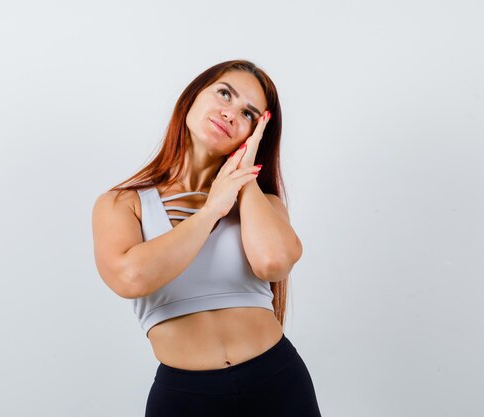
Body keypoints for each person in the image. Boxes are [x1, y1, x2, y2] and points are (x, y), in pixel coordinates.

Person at [91, 59, 322, 416]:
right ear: (192, 97)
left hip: (277, 383)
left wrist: (241, 178)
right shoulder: (122, 203)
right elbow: (130, 277)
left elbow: (274, 263)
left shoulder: (264, 203)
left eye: (248, 114)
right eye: (224, 94)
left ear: (254, 133)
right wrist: (212, 208)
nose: (230, 113)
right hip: (186, 398)